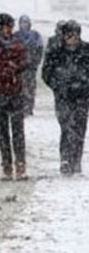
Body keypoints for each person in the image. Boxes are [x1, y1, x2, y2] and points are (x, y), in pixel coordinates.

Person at [0, 13, 28, 181]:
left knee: (18, 131)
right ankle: (7, 164)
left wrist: (9, 65)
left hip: (15, 91)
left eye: (10, 27)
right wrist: (10, 65)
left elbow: (24, 61)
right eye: (5, 27)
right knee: (3, 132)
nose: (8, 30)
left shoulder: (17, 43)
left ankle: (21, 163)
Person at [42, 20, 89, 175]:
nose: (71, 38)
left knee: (80, 129)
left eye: (74, 35)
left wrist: (84, 85)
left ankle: (76, 161)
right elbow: (46, 73)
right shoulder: (55, 51)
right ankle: (66, 159)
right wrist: (58, 86)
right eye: (68, 35)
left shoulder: (86, 51)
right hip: (63, 97)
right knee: (66, 127)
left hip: (82, 97)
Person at [13, 14, 44, 116]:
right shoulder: (16, 36)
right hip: (20, 67)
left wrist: (36, 61)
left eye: (26, 22)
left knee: (31, 88)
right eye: (22, 22)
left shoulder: (35, 35)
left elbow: (40, 49)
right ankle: (22, 107)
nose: (24, 25)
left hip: (31, 67)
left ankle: (29, 107)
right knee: (21, 87)